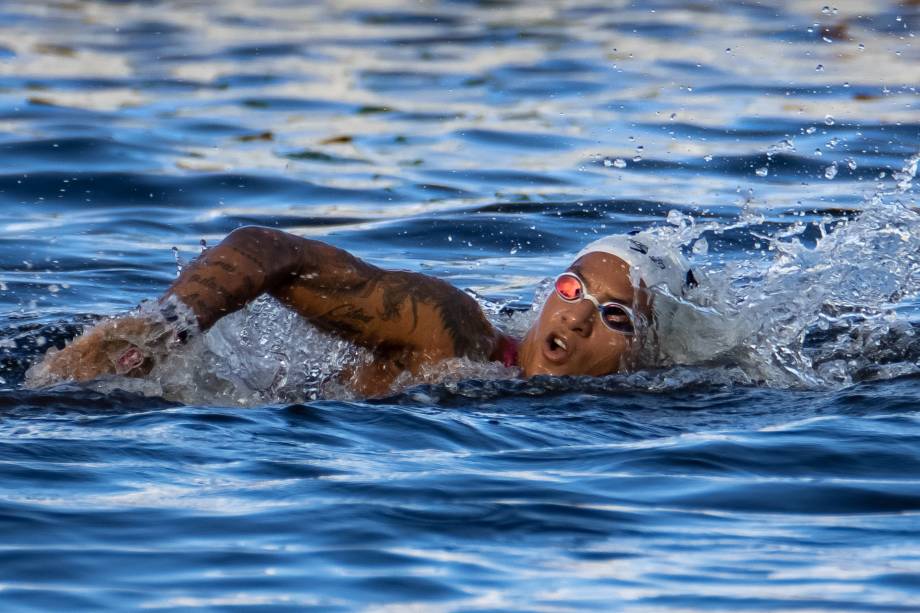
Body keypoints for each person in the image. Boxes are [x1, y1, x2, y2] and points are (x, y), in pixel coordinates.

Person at [27, 226, 695, 397]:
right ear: (548, 296)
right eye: (573, 290)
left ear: (645, 356)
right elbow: (267, 248)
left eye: (617, 318)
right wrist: (161, 331)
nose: (577, 318)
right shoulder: (452, 332)